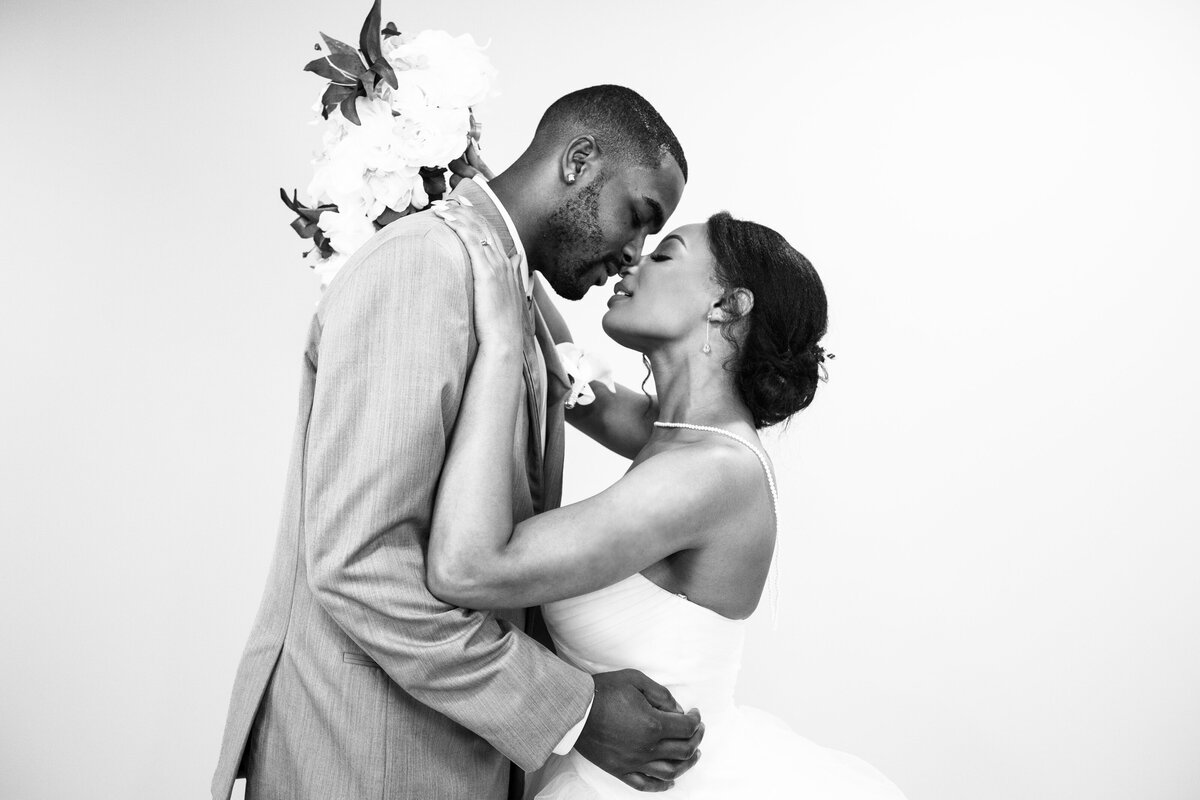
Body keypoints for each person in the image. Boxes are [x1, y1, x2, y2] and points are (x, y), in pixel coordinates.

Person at [211, 85, 704, 800]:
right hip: (361, 758)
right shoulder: (426, 265)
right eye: (639, 217)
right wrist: (575, 710)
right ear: (580, 160)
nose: (634, 255)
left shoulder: (511, 292)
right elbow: (360, 564)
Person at [427, 201, 910, 799]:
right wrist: (486, 206)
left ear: (726, 305)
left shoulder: (708, 475)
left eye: (664, 255)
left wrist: (501, 344)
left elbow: (469, 568)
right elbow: (568, 379)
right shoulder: (683, 437)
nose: (632, 263)